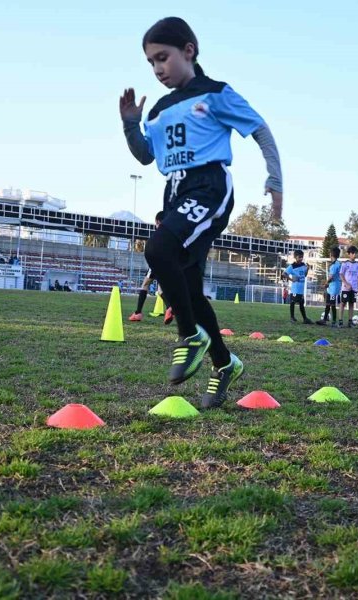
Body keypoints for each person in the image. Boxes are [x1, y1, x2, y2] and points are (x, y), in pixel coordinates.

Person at [120, 17, 283, 408]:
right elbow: (146, 155)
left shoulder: (214, 93)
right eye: (150, 62)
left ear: (188, 50)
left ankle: (190, 335)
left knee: (158, 251)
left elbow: (260, 130)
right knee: (190, 290)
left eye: (163, 57)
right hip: (173, 193)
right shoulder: (158, 109)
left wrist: (275, 182)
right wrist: (130, 126)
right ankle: (225, 364)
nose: (158, 68)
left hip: (208, 187)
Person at [128, 211, 174, 323]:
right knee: (160, 290)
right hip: (170, 264)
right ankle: (169, 308)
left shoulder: (159, 233)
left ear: (158, 222)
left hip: (157, 263)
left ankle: (138, 313)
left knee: (145, 284)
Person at [284, 249, 312, 323]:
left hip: (301, 289)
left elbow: (304, 275)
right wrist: (291, 279)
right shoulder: (292, 266)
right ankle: (292, 317)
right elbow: (284, 274)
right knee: (293, 302)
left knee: (301, 303)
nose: (301, 258)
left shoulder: (303, 265)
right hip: (295, 289)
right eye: (299, 257)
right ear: (295, 257)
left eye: (302, 257)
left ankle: (305, 319)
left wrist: (307, 269)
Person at [339, 246, 358, 327]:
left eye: (355, 253)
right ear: (349, 254)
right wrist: (346, 284)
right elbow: (341, 275)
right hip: (346, 288)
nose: (354, 255)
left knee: (351, 304)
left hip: (354, 288)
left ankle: (350, 321)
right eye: (352, 253)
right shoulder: (345, 264)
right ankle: (340, 321)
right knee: (343, 303)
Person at [318, 247, 343, 327]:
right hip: (333, 286)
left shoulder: (334, 265)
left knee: (332, 305)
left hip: (334, 287)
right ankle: (324, 320)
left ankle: (334, 322)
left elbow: (331, 276)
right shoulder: (338, 263)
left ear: (331, 255)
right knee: (328, 304)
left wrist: (326, 283)